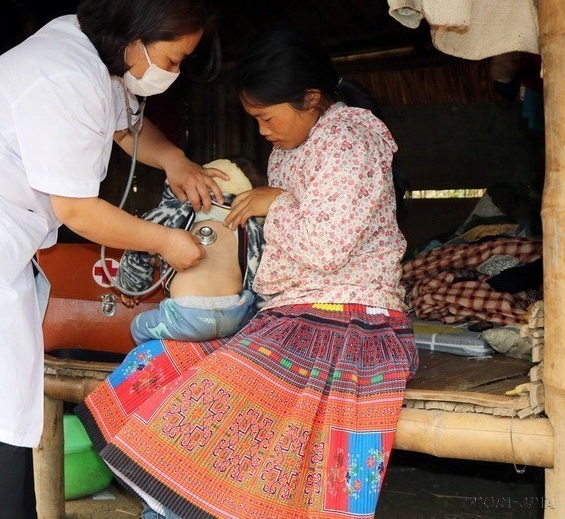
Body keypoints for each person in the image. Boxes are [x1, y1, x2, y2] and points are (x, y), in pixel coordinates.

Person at [0, 0, 226, 519]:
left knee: (6, 402)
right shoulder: (66, 76)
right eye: (173, 60)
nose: (174, 72)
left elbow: (125, 127)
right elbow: (78, 211)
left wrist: (176, 161)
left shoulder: (95, 55)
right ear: (137, 37)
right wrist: (166, 243)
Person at [76, 28, 418, 518]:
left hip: (349, 321)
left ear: (312, 98)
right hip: (290, 316)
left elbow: (325, 247)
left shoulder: (350, 136)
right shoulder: (290, 146)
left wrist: (274, 203)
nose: (262, 131)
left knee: (221, 399)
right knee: (161, 366)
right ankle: (172, 503)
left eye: (266, 117)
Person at [117, 155, 267, 343]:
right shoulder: (253, 228)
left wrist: (129, 288)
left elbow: (137, 244)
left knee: (137, 327)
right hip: (234, 314)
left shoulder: (177, 211)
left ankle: (155, 363)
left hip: (185, 315)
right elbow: (264, 277)